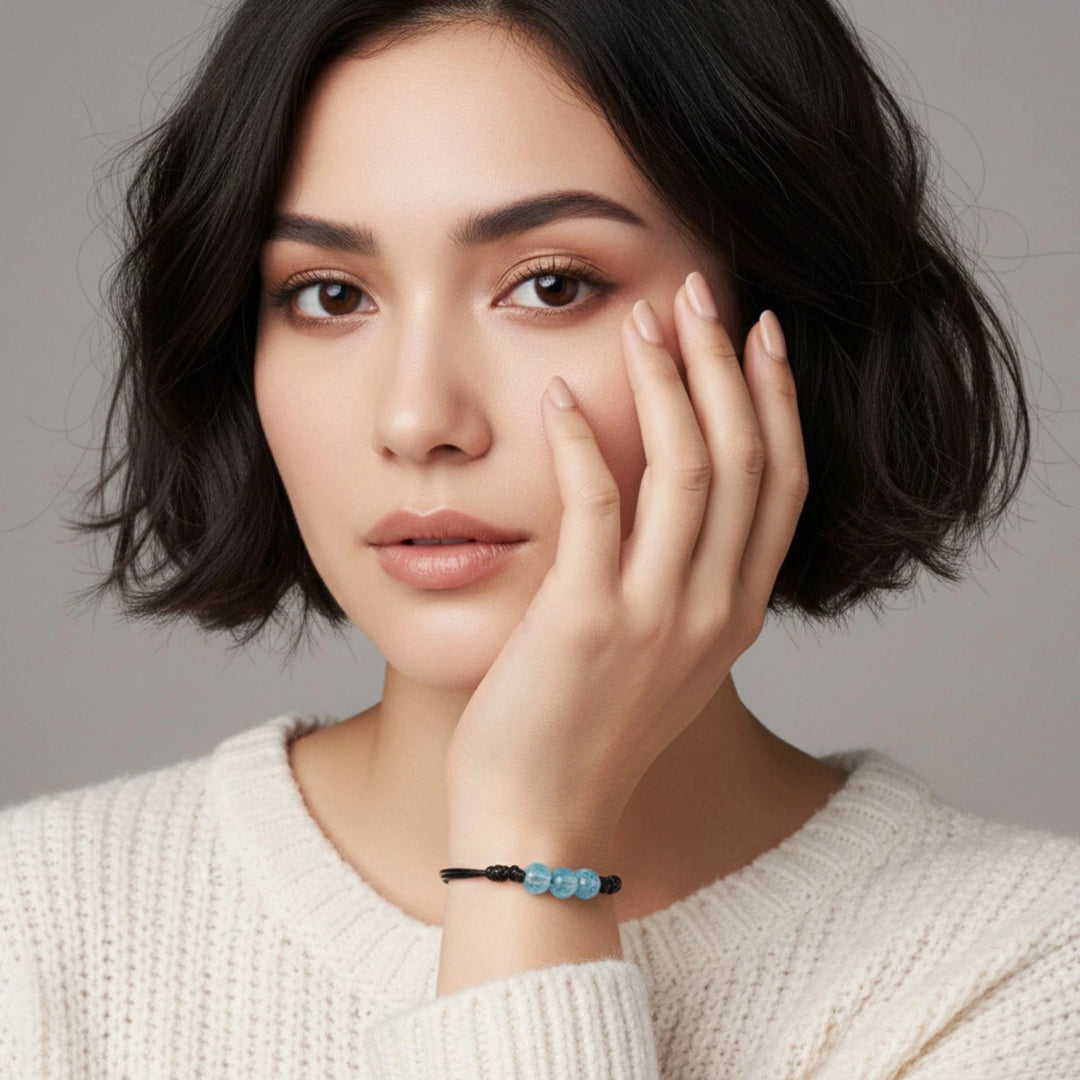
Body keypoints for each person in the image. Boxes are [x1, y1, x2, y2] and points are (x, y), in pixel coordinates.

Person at [1, 0, 1076, 1076]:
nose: (418, 419)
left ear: (776, 323)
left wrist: (531, 845)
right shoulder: (42, 926)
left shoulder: (1021, 969)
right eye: (329, 296)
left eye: (551, 286)